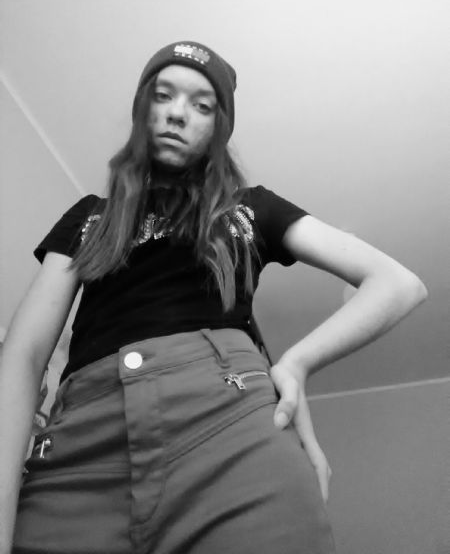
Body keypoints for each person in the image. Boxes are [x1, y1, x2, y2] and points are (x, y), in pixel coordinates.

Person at [0, 41, 427, 554]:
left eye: (201, 105)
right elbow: (23, 357)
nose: (177, 114)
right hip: (80, 449)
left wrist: (295, 365)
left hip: (230, 430)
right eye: (163, 95)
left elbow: (397, 283)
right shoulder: (91, 215)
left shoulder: (251, 208)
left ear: (218, 128)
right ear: (142, 109)